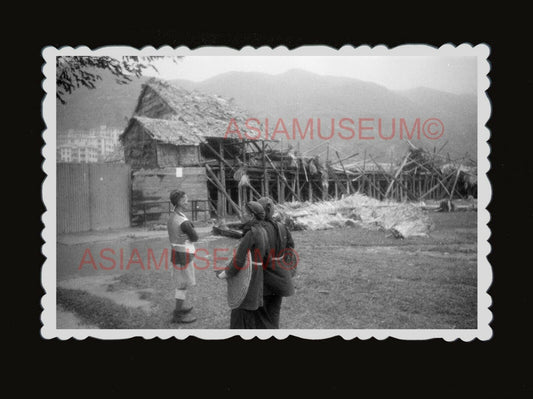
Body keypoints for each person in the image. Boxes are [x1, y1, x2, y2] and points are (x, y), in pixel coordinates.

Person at [216, 201, 268, 329]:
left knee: (240, 308)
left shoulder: (251, 233)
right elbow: (266, 255)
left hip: (248, 275)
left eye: (244, 212)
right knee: (250, 309)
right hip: (257, 272)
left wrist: (225, 273)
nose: (241, 214)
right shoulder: (263, 230)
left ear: (251, 216)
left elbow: (239, 260)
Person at [256, 197, 296, 328]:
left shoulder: (256, 230)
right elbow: (290, 249)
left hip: (262, 278)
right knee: (274, 312)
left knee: (261, 315)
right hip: (280, 276)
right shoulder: (282, 227)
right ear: (272, 210)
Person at [167, 190, 199, 324]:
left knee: (182, 282)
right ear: (179, 202)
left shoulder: (173, 216)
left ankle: (179, 308)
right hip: (183, 254)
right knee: (182, 284)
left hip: (176, 252)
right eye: (185, 199)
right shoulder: (183, 221)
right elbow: (195, 237)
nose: (187, 201)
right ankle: (177, 315)